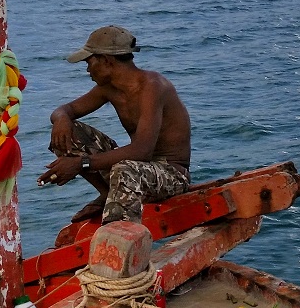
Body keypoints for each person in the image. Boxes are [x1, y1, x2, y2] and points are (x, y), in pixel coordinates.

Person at [39, 25, 192, 224]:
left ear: (106, 61)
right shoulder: (108, 89)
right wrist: (61, 119)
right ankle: (106, 193)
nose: (87, 70)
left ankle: (118, 237)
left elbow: (142, 151)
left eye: (89, 62)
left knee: (125, 169)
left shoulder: (153, 87)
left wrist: (80, 164)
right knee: (70, 132)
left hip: (171, 174)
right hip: (137, 167)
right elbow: (64, 110)